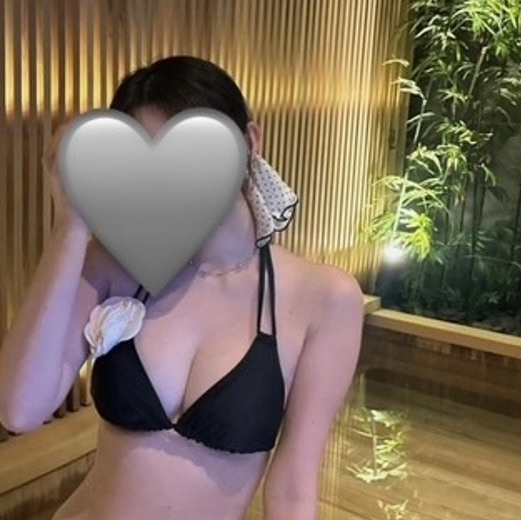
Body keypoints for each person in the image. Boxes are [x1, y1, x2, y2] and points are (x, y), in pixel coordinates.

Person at [0, 55, 364, 520]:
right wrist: (70, 225)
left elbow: (292, 490)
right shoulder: (113, 268)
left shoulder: (324, 298)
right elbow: (19, 410)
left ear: (249, 142)